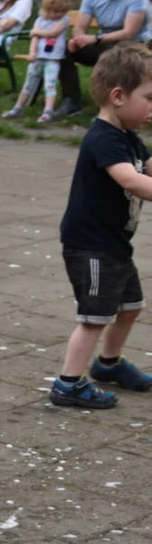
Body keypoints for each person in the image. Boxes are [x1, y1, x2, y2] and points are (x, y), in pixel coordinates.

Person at [50, 43, 152, 410]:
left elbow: (148, 168)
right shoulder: (104, 138)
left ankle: (108, 365)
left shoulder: (128, 136)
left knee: (129, 307)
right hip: (91, 245)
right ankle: (68, 384)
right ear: (119, 96)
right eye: (150, 99)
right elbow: (133, 181)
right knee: (94, 317)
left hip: (114, 244)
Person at [58, 0, 151, 117]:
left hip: (138, 45)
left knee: (120, 51)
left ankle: (114, 110)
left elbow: (130, 33)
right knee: (62, 48)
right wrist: (78, 40)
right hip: (105, 43)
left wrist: (94, 39)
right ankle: (72, 101)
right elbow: (80, 27)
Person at [2, 0, 72, 123]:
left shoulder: (64, 20)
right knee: (29, 83)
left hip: (53, 59)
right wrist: (32, 52)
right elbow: (34, 38)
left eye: (62, 11)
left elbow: (53, 33)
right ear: (47, 8)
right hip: (38, 57)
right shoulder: (40, 20)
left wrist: (37, 32)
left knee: (50, 84)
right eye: (55, 11)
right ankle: (18, 107)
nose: (59, 14)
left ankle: (48, 110)